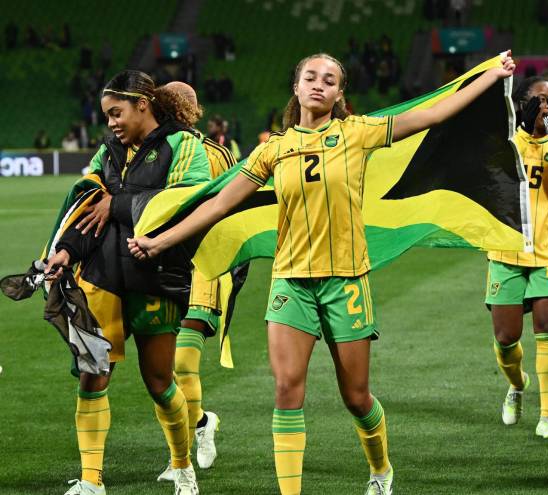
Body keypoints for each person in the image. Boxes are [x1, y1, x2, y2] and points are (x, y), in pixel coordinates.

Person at [128, 52, 516, 495]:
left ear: (338, 94)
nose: (319, 84)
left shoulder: (357, 133)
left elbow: (429, 115)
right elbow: (218, 204)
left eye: (329, 80)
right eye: (310, 77)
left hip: (346, 282)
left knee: (356, 398)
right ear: (296, 87)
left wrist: (488, 77)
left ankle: (381, 471)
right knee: (287, 391)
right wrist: (160, 241)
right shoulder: (273, 149)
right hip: (291, 283)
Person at [45, 70, 211, 495]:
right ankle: (90, 480)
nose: (111, 123)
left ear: (144, 103)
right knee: (92, 374)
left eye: (117, 113)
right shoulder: (108, 152)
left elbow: (188, 204)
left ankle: (182, 466)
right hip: (101, 278)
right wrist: (66, 249)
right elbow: (87, 207)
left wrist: (116, 203)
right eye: (106, 116)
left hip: (157, 278)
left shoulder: (184, 145)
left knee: (159, 382)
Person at [485, 75, 548, 439]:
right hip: (507, 251)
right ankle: (517, 384)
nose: (547, 107)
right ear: (523, 104)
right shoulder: (503, 145)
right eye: (540, 100)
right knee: (506, 339)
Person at [153, 81, 239, 482]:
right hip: (161, 270)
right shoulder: (151, 151)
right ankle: (202, 422)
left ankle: (179, 461)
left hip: (205, 268)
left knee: (183, 364)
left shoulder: (217, 154)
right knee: (162, 372)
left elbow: (232, 213)